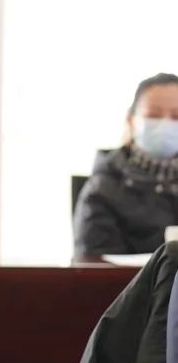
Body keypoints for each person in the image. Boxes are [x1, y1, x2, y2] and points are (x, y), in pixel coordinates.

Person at [74, 72, 178, 258]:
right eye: (153, 115)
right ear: (131, 120)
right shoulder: (103, 190)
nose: (165, 124)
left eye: (176, 117)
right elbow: (94, 266)